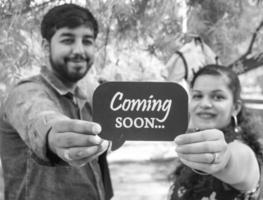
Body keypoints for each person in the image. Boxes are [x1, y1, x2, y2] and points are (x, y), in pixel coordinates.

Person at [0, 3, 113, 200]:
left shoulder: (89, 97)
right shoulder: (24, 92)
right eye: (68, 40)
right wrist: (54, 135)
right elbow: (39, 117)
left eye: (87, 41)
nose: (79, 50)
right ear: (46, 46)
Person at [170, 64, 263, 200]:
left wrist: (224, 159)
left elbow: (237, 160)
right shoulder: (192, 144)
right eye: (197, 96)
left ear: (235, 108)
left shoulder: (242, 150)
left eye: (218, 97)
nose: (205, 104)